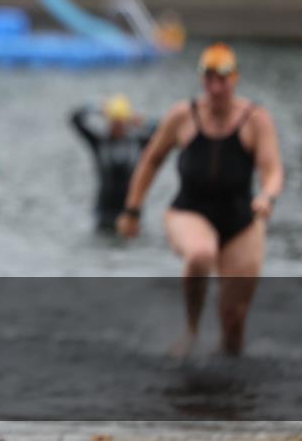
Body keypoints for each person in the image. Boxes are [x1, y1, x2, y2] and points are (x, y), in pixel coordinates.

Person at [116, 43, 284, 356]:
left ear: (235, 79)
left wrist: (267, 196)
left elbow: (272, 170)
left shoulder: (256, 119)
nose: (216, 87)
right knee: (200, 254)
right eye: (209, 78)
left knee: (234, 319)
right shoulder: (183, 116)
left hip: (242, 220)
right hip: (189, 211)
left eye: (223, 79)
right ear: (202, 80)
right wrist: (132, 210)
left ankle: (229, 379)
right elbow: (151, 160)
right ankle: (191, 330)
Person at [69, 95, 156, 232]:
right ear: (108, 121)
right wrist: (97, 109)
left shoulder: (138, 143)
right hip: (104, 212)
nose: (117, 126)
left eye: (121, 122)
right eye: (114, 121)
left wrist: (142, 121)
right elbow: (75, 119)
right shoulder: (99, 142)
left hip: (129, 212)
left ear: (127, 122)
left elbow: (164, 129)